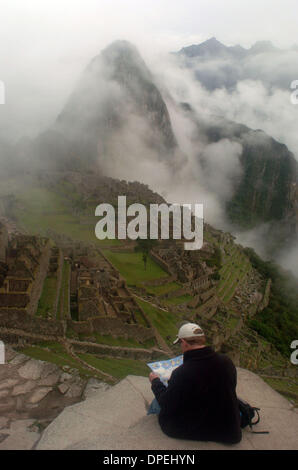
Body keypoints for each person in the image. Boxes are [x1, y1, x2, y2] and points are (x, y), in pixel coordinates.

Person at [148, 322, 242, 444]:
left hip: (202, 428)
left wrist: (155, 381)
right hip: (229, 429)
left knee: (157, 402)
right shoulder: (226, 361)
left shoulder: (182, 372)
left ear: (185, 343)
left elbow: (166, 404)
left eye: (180, 343)